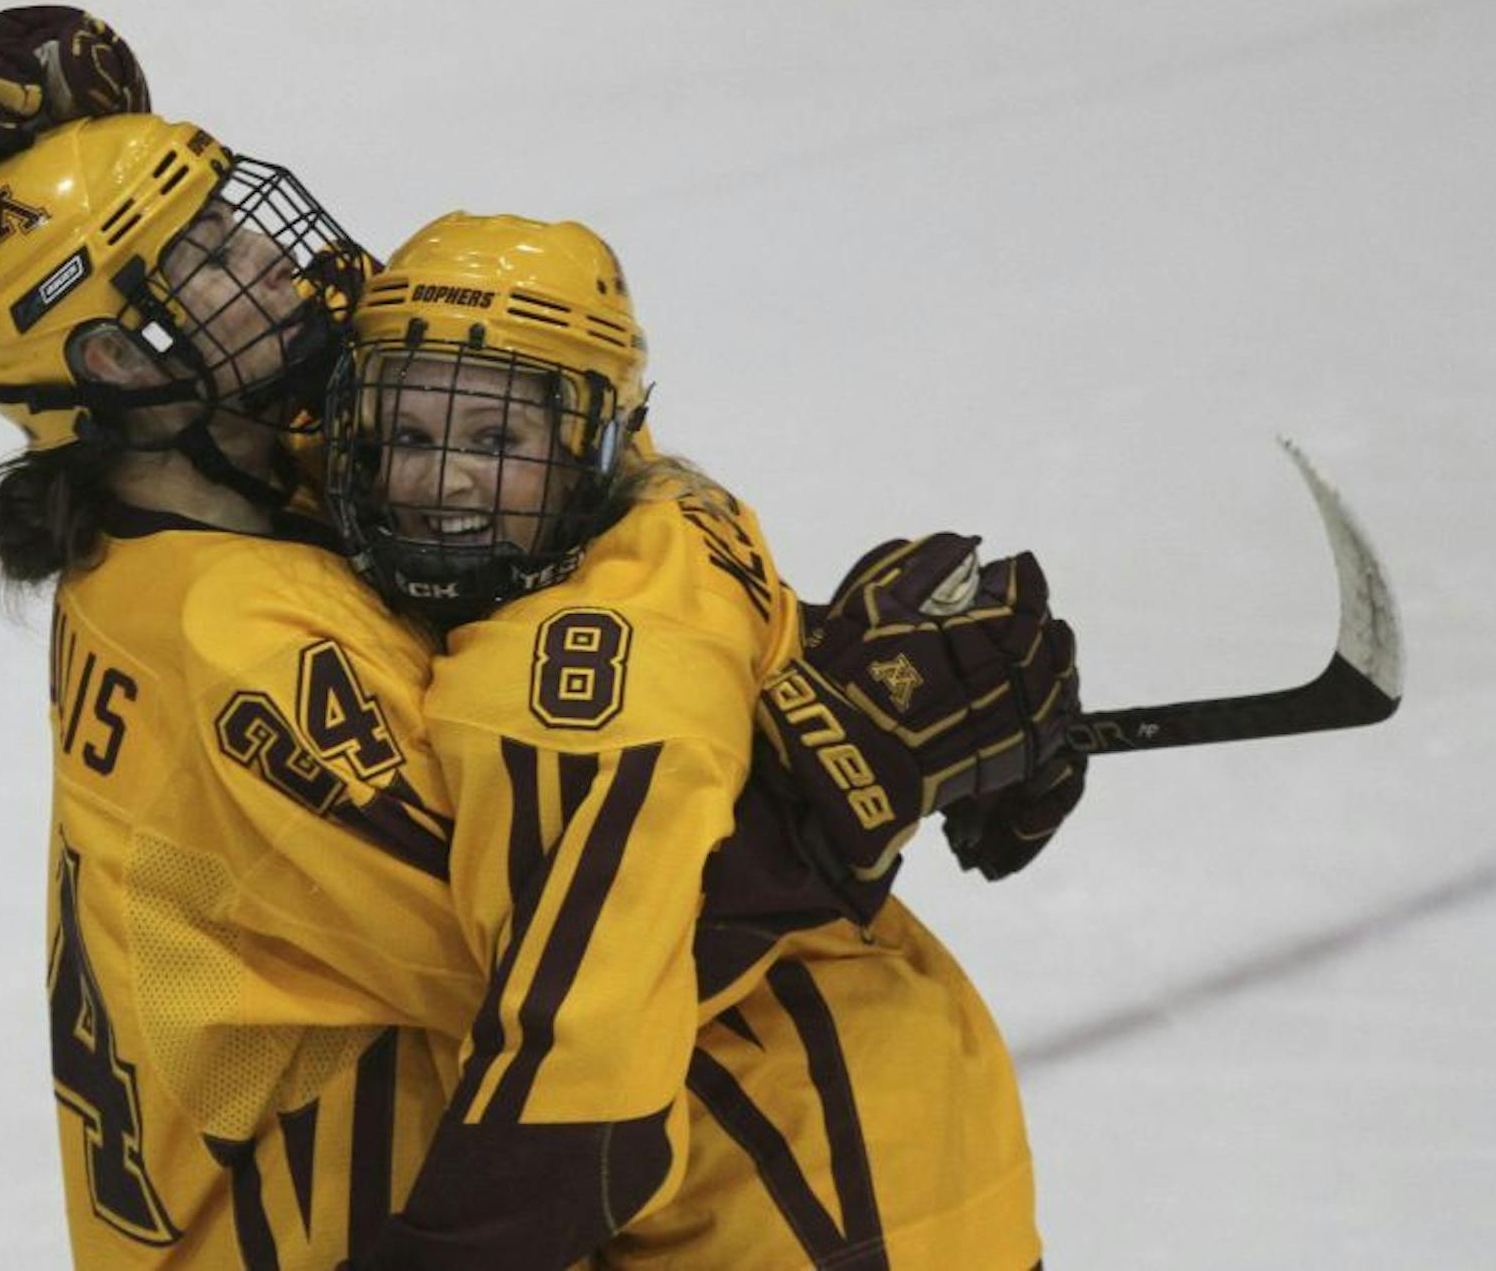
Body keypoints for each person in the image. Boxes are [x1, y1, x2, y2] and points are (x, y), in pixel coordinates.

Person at [0, 8, 1085, 1271]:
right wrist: (841, 779)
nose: (264, 256)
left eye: (234, 215)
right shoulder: (240, 646)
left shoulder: (243, 489)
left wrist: (826, 663)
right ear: (117, 363)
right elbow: (560, 969)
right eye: (202, 258)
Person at [324, 214, 1075, 1270]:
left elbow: (576, 1113)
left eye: (497, 442)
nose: (442, 480)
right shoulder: (678, 513)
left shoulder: (554, 689)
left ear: (590, 437)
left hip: (802, 1207)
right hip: (903, 1126)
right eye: (408, 435)